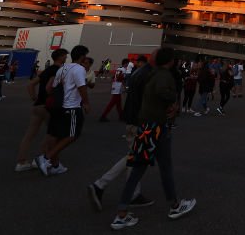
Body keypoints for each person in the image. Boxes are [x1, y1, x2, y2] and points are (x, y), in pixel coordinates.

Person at [110, 48, 196, 229]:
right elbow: (163, 91)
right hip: (157, 128)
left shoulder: (151, 74)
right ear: (170, 61)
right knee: (165, 167)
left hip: (145, 126)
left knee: (138, 169)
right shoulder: (164, 76)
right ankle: (175, 206)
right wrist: (173, 101)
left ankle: (121, 214)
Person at [88, 57, 154, 212]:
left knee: (133, 157)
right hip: (138, 122)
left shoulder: (137, 73)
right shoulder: (146, 75)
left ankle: (130, 193)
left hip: (131, 118)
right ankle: (102, 185)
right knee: (136, 157)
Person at [35, 44, 90, 176]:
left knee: (55, 135)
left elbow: (51, 87)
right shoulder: (79, 69)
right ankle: (46, 158)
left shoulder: (62, 68)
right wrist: (86, 102)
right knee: (73, 134)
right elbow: (82, 87)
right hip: (71, 107)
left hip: (58, 106)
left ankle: (55, 165)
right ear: (82, 56)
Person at [15, 48, 67, 172]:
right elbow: (52, 87)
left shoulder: (47, 70)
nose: (66, 57)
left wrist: (35, 98)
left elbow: (30, 85)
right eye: (65, 55)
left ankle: (21, 162)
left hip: (38, 106)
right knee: (53, 134)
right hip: (49, 106)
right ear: (60, 57)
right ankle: (42, 159)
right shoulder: (58, 70)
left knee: (29, 135)